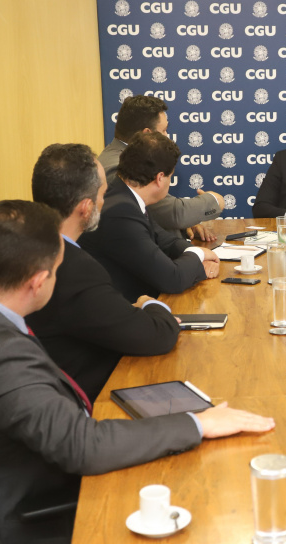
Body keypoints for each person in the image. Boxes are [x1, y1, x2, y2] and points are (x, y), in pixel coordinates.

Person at [0, 200, 274, 544]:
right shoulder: (3, 360)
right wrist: (199, 424)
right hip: (35, 518)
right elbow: (83, 446)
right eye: (57, 271)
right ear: (39, 282)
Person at [27, 143, 180, 401]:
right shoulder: (74, 268)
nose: (104, 201)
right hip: (89, 403)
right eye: (102, 194)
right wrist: (152, 305)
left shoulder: (25, 246)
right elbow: (157, 335)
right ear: (86, 208)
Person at [79, 132, 221, 302]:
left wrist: (195, 253)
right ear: (160, 178)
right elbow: (172, 278)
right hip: (124, 310)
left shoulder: (124, 195)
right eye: (170, 176)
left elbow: (166, 241)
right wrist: (198, 256)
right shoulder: (120, 212)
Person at [100, 95, 224, 240]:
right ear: (147, 134)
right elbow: (176, 214)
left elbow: (158, 215)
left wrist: (185, 224)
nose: (167, 136)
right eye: (164, 130)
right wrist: (215, 200)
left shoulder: (123, 157)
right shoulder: (117, 167)